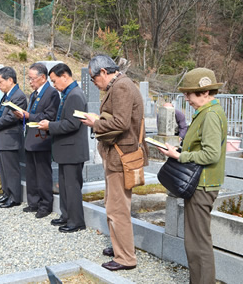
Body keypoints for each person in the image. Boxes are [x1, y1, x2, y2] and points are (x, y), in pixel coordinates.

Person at [158, 68, 227, 283]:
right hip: (200, 184)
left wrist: (180, 156)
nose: (186, 98)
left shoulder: (211, 115)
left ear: (205, 93)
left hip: (202, 185)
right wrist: (179, 150)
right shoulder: (207, 113)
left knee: (199, 244)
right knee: (195, 242)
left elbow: (211, 154)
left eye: (190, 93)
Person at [80, 54, 148, 271]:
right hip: (118, 155)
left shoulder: (121, 87)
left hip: (121, 156)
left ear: (103, 72)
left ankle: (126, 258)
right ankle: (120, 247)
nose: (94, 84)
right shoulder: (120, 85)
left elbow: (121, 122)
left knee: (118, 208)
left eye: (93, 79)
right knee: (113, 205)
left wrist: (95, 122)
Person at [38, 63, 88, 233]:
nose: (53, 85)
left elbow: (72, 124)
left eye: (54, 81)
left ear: (64, 76)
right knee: (65, 185)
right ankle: (66, 215)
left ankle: (76, 221)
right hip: (66, 149)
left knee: (72, 187)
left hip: (72, 149)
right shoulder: (68, 93)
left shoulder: (74, 95)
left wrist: (50, 126)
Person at [13, 63, 60, 219]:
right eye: (29, 78)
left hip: (42, 138)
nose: (30, 82)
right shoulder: (33, 94)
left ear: (42, 78)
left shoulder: (52, 93)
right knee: (31, 173)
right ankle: (33, 202)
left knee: (43, 174)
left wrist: (27, 116)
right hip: (31, 137)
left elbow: (49, 116)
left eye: (32, 79)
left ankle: (45, 204)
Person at [0, 67, 27, 208]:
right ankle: (7, 193)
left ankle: (14, 197)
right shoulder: (7, 94)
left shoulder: (18, 96)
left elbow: (11, 118)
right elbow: (1, 113)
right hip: (2, 137)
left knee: (11, 170)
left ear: (10, 80)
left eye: (0, 81)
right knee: (3, 169)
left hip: (10, 138)